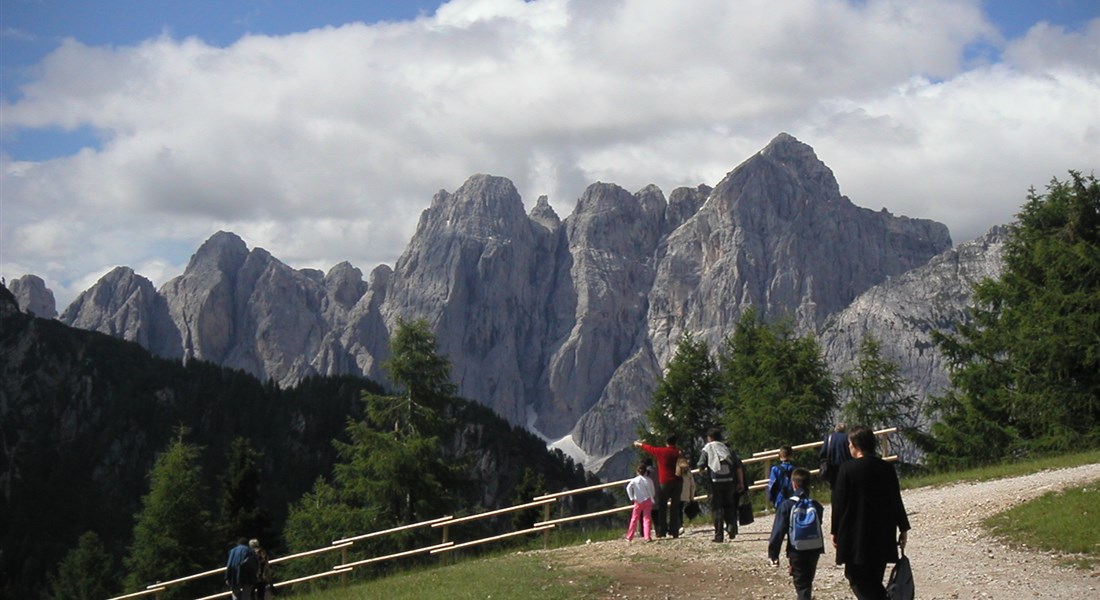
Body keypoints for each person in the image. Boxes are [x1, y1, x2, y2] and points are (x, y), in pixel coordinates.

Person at [831, 426, 911, 600]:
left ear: (856, 445)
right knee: (874, 578)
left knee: (855, 577)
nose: (848, 447)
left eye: (849, 444)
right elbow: (895, 499)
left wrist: (835, 531)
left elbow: (839, 504)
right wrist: (903, 527)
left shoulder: (846, 469)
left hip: (855, 535)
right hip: (882, 533)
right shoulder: (886, 468)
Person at [768, 468, 825, 600]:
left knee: (801, 584)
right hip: (814, 548)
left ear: (793, 484)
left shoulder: (786, 505)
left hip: (796, 550)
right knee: (807, 581)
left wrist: (773, 553)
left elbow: (778, 531)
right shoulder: (816, 505)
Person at [697, 428, 743, 542]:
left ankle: (719, 535)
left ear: (710, 438)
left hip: (715, 482)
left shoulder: (708, 448)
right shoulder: (727, 448)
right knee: (729, 505)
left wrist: (702, 474)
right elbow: (738, 466)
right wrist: (740, 482)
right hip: (730, 480)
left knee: (717, 508)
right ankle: (731, 527)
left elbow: (701, 464)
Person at [634, 434, 684, 538]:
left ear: (666, 443)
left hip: (665, 482)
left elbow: (649, 448)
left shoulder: (662, 452)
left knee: (662, 507)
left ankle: (662, 531)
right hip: (678, 481)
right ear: (675, 442)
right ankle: (674, 531)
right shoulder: (679, 452)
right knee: (675, 507)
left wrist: (639, 444)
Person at [625, 463, 657, 542]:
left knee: (634, 519)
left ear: (637, 472)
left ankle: (629, 536)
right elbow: (653, 491)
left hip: (638, 501)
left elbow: (628, 488)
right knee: (647, 519)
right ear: (646, 472)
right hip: (648, 500)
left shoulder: (634, 480)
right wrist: (651, 496)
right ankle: (647, 536)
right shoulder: (649, 480)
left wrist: (631, 497)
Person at [819, 423, 852, 489]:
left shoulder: (829, 438)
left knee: (835, 489)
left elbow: (823, 453)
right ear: (844, 429)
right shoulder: (848, 437)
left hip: (833, 468)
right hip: (846, 467)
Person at [767, 445, 795, 509]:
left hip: (780, 499)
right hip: (793, 499)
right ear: (792, 455)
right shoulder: (795, 469)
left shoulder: (775, 469)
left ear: (779, 456)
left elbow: (771, 486)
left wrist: (771, 499)